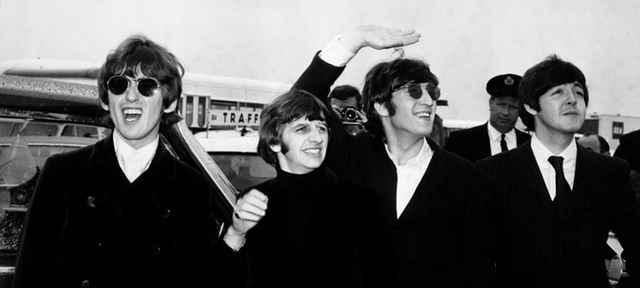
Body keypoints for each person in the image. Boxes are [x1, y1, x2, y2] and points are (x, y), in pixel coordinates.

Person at [292, 25, 489, 288]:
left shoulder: (466, 178)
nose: (429, 101)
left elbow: (478, 272)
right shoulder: (352, 156)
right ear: (382, 105)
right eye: (414, 91)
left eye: (432, 92)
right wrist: (356, 39)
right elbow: (302, 100)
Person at [12, 35, 212, 288]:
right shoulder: (63, 173)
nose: (130, 97)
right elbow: (30, 275)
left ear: (169, 102)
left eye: (146, 86)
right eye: (119, 85)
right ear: (106, 100)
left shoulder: (191, 186)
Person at [473, 55, 640, 287]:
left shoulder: (611, 171)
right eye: (558, 92)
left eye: (578, 92)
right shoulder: (491, 172)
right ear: (531, 105)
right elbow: (475, 260)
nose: (572, 100)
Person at [214, 89, 396, 287]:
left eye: (322, 128)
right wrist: (236, 233)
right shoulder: (255, 199)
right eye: (302, 129)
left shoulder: (361, 202)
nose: (317, 138)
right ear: (275, 142)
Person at [444, 73, 530, 163]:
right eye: (501, 105)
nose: (506, 112)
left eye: (513, 107)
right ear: (490, 103)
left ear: (521, 109)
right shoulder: (461, 141)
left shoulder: (529, 143)